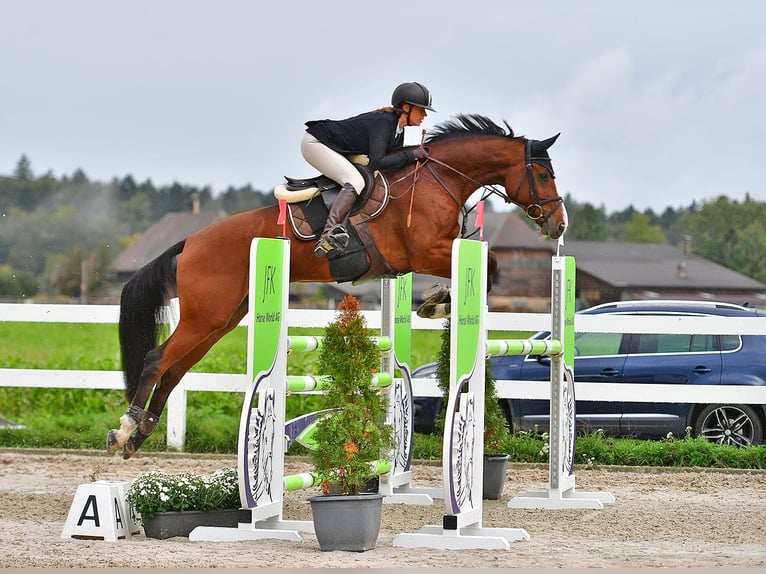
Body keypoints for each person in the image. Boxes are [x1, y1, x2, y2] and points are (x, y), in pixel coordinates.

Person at [301, 82, 435, 257]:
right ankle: (327, 235)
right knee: (355, 180)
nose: (424, 114)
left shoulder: (398, 130)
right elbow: (377, 162)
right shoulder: (384, 123)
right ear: (405, 107)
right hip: (314, 143)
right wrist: (412, 155)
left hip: (334, 147)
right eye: (421, 109)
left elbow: (393, 161)